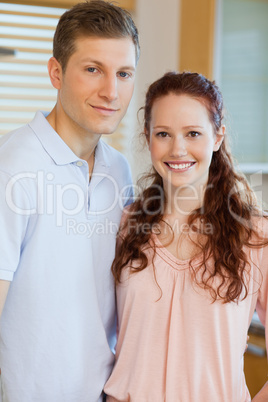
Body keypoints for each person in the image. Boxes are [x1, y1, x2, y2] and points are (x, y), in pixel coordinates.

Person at [0, 1, 139, 401]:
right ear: (56, 73)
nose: (111, 91)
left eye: (124, 73)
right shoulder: (13, 167)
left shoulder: (119, 171)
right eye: (93, 69)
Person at [104, 72, 268, 401]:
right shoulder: (123, 225)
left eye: (193, 133)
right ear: (148, 136)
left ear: (218, 136)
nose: (177, 149)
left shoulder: (255, 236)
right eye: (163, 133)